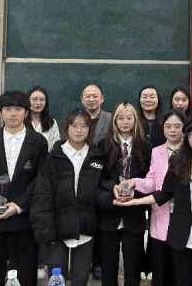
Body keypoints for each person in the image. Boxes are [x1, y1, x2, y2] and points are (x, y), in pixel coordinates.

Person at [114, 115, 192, 286]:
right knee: (181, 280)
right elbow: (164, 193)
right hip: (181, 233)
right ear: (186, 137)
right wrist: (135, 202)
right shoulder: (177, 161)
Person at [30, 109, 113, 286]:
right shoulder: (54, 156)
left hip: (86, 229)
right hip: (56, 230)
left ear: (90, 129)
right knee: (56, 280)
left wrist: (114, 197)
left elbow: (103, 189)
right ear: (67, 128)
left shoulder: (97, 157)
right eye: (74, 125)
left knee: (80, 280)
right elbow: (42, 196)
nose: (79, 130)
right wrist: (46, 231)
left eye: (84, 126)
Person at [0, 90, 49, 286]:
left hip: (24, 221)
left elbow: (41, 180)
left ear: (26, 112)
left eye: (18, 109)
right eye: (7, 109)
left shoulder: (38, 142)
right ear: (1, 112)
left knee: (25, 276)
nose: (13, 114)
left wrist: (18, 206)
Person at [116, 109, 187, 286]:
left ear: (184, 128)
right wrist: (135, 182)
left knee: (180, 271)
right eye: (168, 126)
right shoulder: (157, 151)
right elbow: (152, 181)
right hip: (161, 214)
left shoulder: (191, 151)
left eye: (177, 126)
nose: (172, 130)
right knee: (160, 271)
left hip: (184, 215)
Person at [98, 102, 152, 286]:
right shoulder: (104, 145)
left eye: (129, 118)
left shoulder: (146, 147)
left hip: (134, 213)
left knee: (133, 267)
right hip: (109, 213)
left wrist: (136, 191)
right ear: (114, 121)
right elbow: (99, 178)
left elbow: (150, 179)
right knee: (108, 268)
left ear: (136, 120)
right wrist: (112, 187)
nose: (125, 122)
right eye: (120, 118)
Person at [81, 83, 112, 279]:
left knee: (101, 223)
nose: (91, 99)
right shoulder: (76, 119)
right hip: (81, 177)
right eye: (88, 96)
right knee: (85, 221)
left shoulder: (111, 119)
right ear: (82, 99)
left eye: (95, 96)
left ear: (102, 98)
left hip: (104, 175)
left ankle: (99, 263)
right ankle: (84, 263)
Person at [26, 85, 61, 152]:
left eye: (42, 100)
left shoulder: (51, 123)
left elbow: (55, 147)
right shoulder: (21, 122)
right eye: (34, 99)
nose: (38, 103)